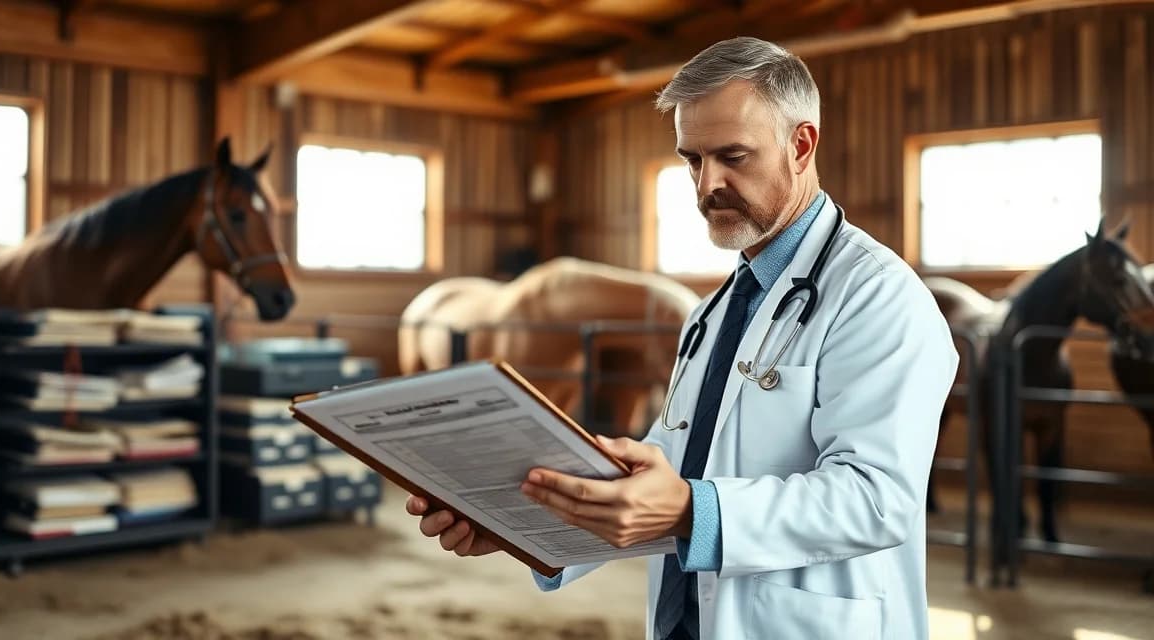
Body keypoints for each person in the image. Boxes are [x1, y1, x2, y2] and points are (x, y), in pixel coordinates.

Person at [406, 35, 958, 639]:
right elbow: (670, 464)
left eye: (733, 156)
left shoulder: (878, 297)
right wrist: (528, 522)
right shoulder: (713, 312)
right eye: (692, 159)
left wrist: (695, 511)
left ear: (801, 145)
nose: (705, 185)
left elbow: (876, 499)